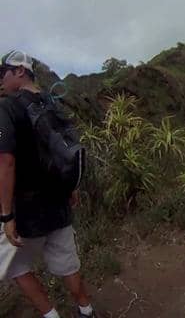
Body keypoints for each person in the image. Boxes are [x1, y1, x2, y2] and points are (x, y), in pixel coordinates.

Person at [0, 50, 98, 318]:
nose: (1, 80)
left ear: (19, 71)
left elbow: (5, 162)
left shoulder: (7, 108)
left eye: (3, 73)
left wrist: (7, 215)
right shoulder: (52, 102)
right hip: (59, 202)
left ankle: (51, 315)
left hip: (26, 209)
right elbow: (65, 148)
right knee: (68, 264)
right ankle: (86, 310)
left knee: (14, 266)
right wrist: (71, 187)